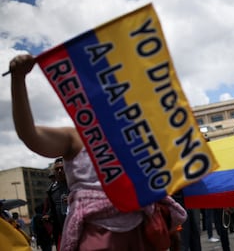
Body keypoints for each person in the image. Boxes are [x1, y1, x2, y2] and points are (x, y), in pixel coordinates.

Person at [9, 54, 187, 250]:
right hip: (98, 233)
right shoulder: (75, 137)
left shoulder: (136, 134)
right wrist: (18, 80)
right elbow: (29, 135)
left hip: (142, 227)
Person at [43, 157, 69, 249]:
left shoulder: (76, 184)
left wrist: (73, 199)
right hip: (61, 231)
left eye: (62, 168)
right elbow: (53, 208)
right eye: (57, 169)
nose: (60, 171)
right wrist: (48, 215)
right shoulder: (51, 190)